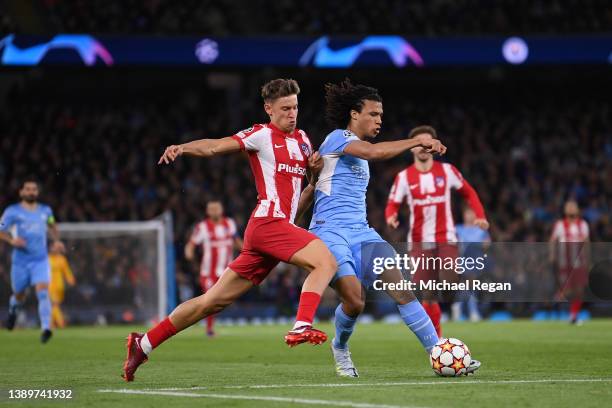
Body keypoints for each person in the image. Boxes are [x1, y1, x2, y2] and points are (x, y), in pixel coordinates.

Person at [122, 78, 337, 382]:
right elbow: (214, 147)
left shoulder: (303, 140)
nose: (292, 113)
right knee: (326, 261)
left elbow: (299, 200)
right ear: (269, 109)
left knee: (212, 302)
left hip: (278, 228)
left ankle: (143, 344)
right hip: (266, 223)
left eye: (295, 107)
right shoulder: (260, 134)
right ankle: (302, 325)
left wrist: (314, 179)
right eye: (285, 108)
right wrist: (183, 147)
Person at [300, 78, 478, 378]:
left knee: (403, 291)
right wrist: (416, 140)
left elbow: (319, 184)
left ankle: (440, 353)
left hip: (362, 232)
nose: (379, 119)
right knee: (355, 302)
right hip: (329, 232)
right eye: (374, 114)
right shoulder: (337, 139)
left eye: (381, 115)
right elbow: (373, 153)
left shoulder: (357, 151)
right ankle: (340, 348)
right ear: (355, 114)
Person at [385, 125, 489, 337]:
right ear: (412, 148)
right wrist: (390, 216)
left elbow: (468, 192)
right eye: (419, 143)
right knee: (427, 293)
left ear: (435, 145)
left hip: (446, 238)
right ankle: (436, 340)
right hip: (419, 241)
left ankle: (453, 304)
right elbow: (392, 203)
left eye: (428, 142)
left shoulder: (447, 171)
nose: (424, 147)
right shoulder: (404, 177)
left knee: (450, 282)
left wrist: (480, 215)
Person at [0, 178, 60, 343]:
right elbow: (1, 229)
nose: (31, 192)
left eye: (34, 189)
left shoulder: (46, 211)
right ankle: (13, 310)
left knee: (42, 291)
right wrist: (12, 241)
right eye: (28, 189)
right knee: (19, 295)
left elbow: (52, 225)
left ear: (37, 192)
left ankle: (46, 328)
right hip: (20, 262)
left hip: (40, 260)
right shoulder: (12, 211)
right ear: (21, 192)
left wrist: (56, 240)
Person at [184, 200, 243, 336]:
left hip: (227, 272)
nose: (215, 211)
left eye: (217, 208)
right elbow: (192, 243)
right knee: (210, 300)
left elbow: (237, 241)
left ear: (221, 210)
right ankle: (209, 329)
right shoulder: (203, 227)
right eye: (212, 209)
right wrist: (189, 252)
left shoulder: (229, 223)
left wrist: (248, 251)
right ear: (208, 212)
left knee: (218, 301)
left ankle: (203, 323)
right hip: (208, 273)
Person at [549, 200, 590, 324]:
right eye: (569, 207)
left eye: (573, 207)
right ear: (565, 210)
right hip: (564, 262)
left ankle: (573, 315)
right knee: (569, 288)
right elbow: (552, 240)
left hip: (579, 261)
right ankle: (558, 297)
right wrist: (552, 255)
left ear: (577, 210)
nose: (571, 209)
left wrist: (588, 259)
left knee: (579, 289)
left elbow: (587, 243)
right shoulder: (560, 225)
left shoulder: (582, 224)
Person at [452, 208, 491, 322]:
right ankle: (472, 310)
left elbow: (487, 244)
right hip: (462, 260)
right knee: (468, 284)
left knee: (467, 286)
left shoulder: (480, 229)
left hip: (475, 260)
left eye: (472, 214)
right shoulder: (458, 229)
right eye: (467, 213)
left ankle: (458, 306)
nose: (469, 216)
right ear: (464, 215)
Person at [49, 240, 76, 328]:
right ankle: (60, 323)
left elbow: (67, 271)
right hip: (49, 285)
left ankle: (52, 324)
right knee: (54, 304)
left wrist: (70, 279)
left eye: (57, 248)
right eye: (54, 247)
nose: (55, 249)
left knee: (54, 305)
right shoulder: (46, 259)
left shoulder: (62, 259)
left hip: (59, 286)